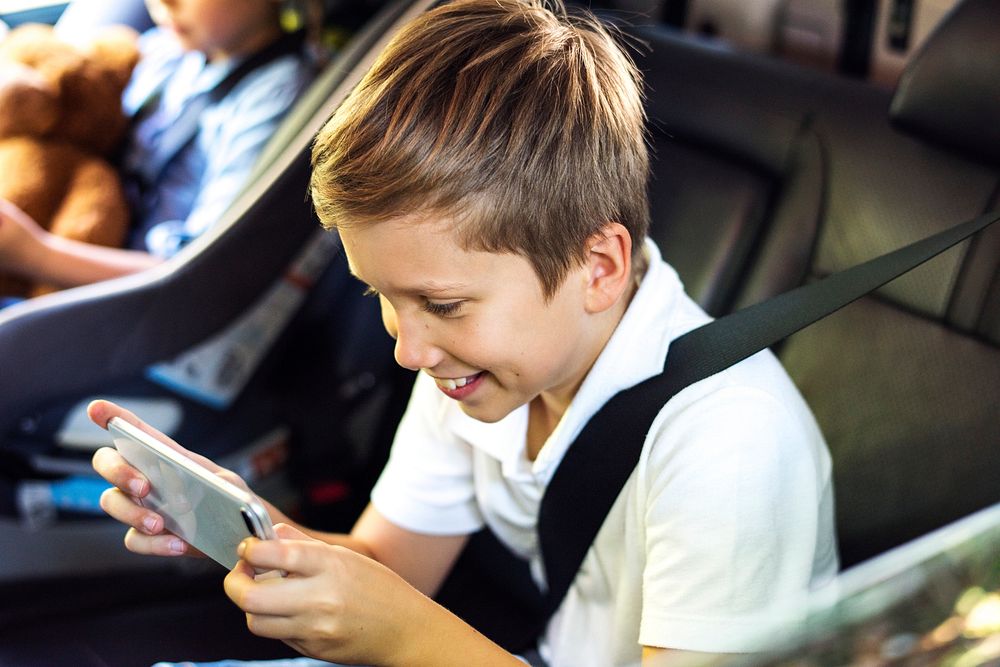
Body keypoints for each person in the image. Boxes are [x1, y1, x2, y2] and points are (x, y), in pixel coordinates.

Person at [91, 1, 839, 665]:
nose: (408, 350)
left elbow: (398, 612)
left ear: (599, 266)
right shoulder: (479, 365)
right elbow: (388, 567)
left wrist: (407, 635)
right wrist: (244, 530)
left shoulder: (731, 443)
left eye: (441, 305)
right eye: (379, 295)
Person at [0, 0, 317, 295]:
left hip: (122, 287)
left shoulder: (275, 93)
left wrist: (34, 253)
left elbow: (201, 268)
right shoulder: (165, 51)